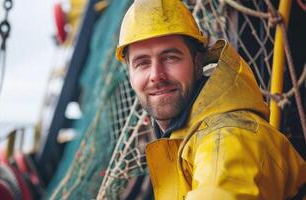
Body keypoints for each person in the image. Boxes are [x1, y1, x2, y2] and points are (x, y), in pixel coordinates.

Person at [115, 0, 306, 199]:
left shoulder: (227, 138)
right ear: (129, 74)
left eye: (170, 57)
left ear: (198, 64)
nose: (156, 75)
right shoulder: (186, 134)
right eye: (142, 63)